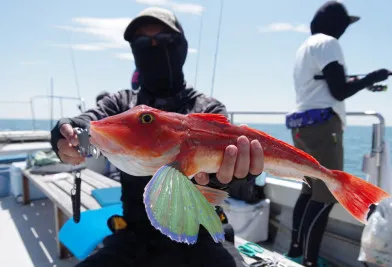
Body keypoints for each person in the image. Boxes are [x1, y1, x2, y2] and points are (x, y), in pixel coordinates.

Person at [50, 7, 265, 267]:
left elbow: (224, 180)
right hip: (135, 235)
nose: (152, 48)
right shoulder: (123, 104)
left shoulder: (206, 110)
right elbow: (90, 125)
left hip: (201, 235)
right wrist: (69, 136)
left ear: (181, 47)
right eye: (142, 43)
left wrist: (230, 177)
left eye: (163, 40)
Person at [284, 1, 390, 266]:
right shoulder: (329, 43)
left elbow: (328, 83)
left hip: (302, 127)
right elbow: (339, 91)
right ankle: (308, 261)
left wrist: (362, 82)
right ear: (335, 24)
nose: (345, 30)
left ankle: (296, 249)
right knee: (327, 195)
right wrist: (372, 77)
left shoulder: (305, 47)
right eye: (344, 25)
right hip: (322, 128)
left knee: (308, 192)